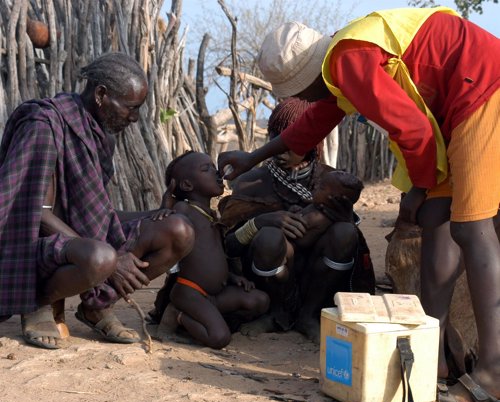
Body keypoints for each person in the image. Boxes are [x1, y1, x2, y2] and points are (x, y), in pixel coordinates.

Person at [218, 7, 500, 402]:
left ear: (309, 76)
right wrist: (254, 156)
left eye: (301, 90)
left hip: (481, 86)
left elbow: (414, 131)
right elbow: (311, 125)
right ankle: (432, 358)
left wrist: (419, 187)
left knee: (472, 228)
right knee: (436, 221)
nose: (305, 98)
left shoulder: (348, 58)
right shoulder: (344, 62)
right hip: (452, 107)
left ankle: (493, 372)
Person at [0, 52, 194, 350]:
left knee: (179, 230)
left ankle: (96, 306)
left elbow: (95, 214)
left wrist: (157, 215)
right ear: (102, 94)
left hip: (78, 242)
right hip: (35, 245)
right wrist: (113, 260)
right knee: (102, 258)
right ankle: (38, 302)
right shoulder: (43, 123)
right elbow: (34, 213)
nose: (135, 118)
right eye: (131, 108)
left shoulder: (100, 134)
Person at [219, 97, 375, 343]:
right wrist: (260, 223)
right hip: (267, 278)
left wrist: (340, 219)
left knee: (346, 233)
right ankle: (276, 313)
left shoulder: (332, 180)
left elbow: (352, 241)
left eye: (290, 142)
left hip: (319, 275)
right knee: (269, 238)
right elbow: (229, 246)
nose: (280, 148)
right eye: (275, 139)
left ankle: (309, 315)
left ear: (312, 142)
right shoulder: (251, 181)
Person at [156, 151, 270, 349]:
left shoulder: (212, 214)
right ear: (187, 185)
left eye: (213, 166)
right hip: (190, 291)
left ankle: (205, 315)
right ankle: (178, 315)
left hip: (214, 295)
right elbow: (162, 224)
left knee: (260, 300)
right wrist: (165, 206)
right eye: (206, 169)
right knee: (219, 338)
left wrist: (234, 278)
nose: (216, 172)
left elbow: (215, 256)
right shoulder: (184, 210)